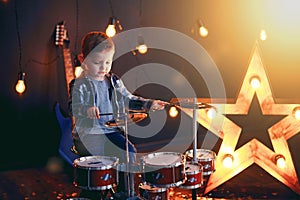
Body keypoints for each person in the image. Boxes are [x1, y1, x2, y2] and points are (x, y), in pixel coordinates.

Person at [68, 31, 167, 196]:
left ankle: (125, 193)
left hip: (110, 131)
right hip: (89, 135)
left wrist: (150, 104)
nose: (103, 68)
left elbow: (129, 99)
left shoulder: (113, 81)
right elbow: (72, 107)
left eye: (108, 62)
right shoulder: (79, 84)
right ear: (82, 59)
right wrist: (86, 109)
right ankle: (94, 194)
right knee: (101, 167)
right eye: (97, 62)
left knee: (129, 151)